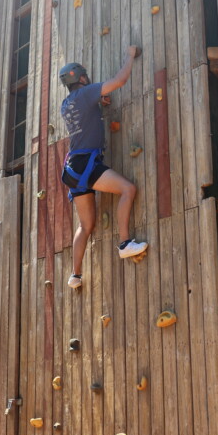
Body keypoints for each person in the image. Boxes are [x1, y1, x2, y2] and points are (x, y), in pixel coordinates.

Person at [59, 47, 148, 288]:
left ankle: (75, 276)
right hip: (87, 164)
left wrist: (98, 101)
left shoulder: (67, 103)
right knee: (128, 189)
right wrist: (129, 55)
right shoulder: (86, 93)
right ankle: (124, 243)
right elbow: (120, 80)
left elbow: (86, 114)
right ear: (82, 78)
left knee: (85, 225)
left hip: (72, 170)